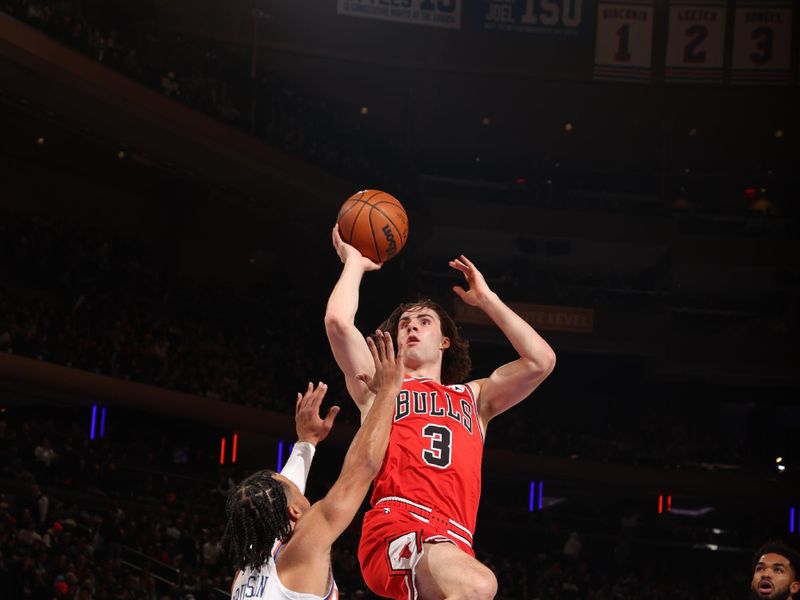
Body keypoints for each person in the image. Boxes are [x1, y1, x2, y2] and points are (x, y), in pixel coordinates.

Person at [325, 226, 557, 600]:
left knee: (472, 586)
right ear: (396, 340)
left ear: (445, 341)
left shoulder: (475, 398)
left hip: (452, 541)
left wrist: (488, 299)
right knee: (481, 585)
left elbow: (541, 361)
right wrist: (354, 262)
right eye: (404, 324)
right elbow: (338, 324)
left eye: (424, 322)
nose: (412, 327)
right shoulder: (381, 385)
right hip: (395, 526)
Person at [224, 331, 404, 600]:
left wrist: (306, 442)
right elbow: (361, 469)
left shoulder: (246, 571)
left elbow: (277, 499)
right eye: (293, 486)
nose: (298, 484)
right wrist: (388, 393)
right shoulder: (303, 547)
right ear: (294, 511)